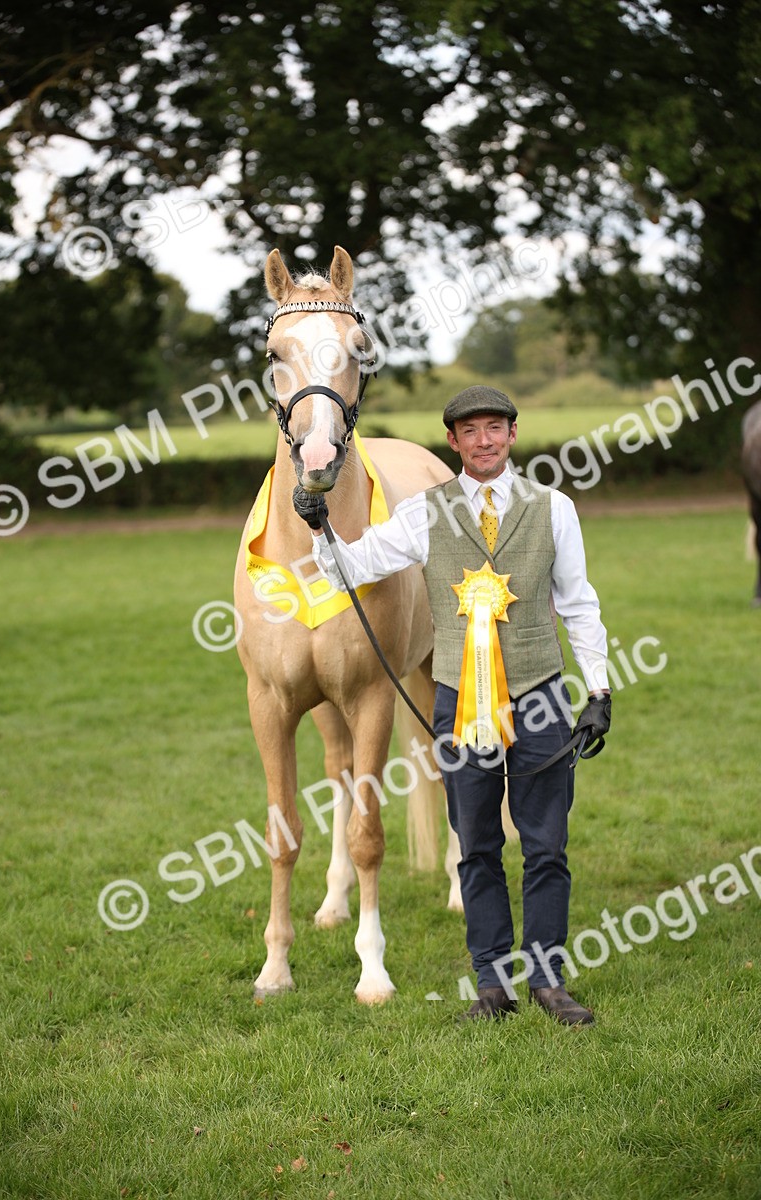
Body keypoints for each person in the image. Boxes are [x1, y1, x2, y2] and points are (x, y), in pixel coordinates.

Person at [294, 386, 611, 1025]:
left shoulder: (554, 509)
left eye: (495, 428)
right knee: (476, 847)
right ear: (455, 443)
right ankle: (492, 984)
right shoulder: (424, 514)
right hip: (460, 703)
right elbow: (353, 568)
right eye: (471, 432)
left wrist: (599, 690)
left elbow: (578, 604)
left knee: (547, 845)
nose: (485, 440)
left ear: (513, 436)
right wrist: (321, 528)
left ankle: (549, 980)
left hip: (541, 698)